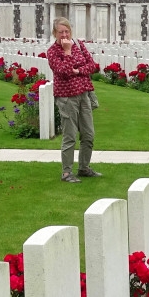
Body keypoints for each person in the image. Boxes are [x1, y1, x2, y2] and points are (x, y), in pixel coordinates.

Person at [47, 17, 100, 183]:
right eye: (61, 32)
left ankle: (84, 167)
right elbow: (63, 71)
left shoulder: (79, 44)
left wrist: (79, 71)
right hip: (66, 97)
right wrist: (68, 52)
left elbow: (93, 66)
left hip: (84, 93)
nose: (64, 34)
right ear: (55, 33)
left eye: (67, 31)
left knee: (88, 134)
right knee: (69, 136)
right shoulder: (53, 52)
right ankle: (67, 172)